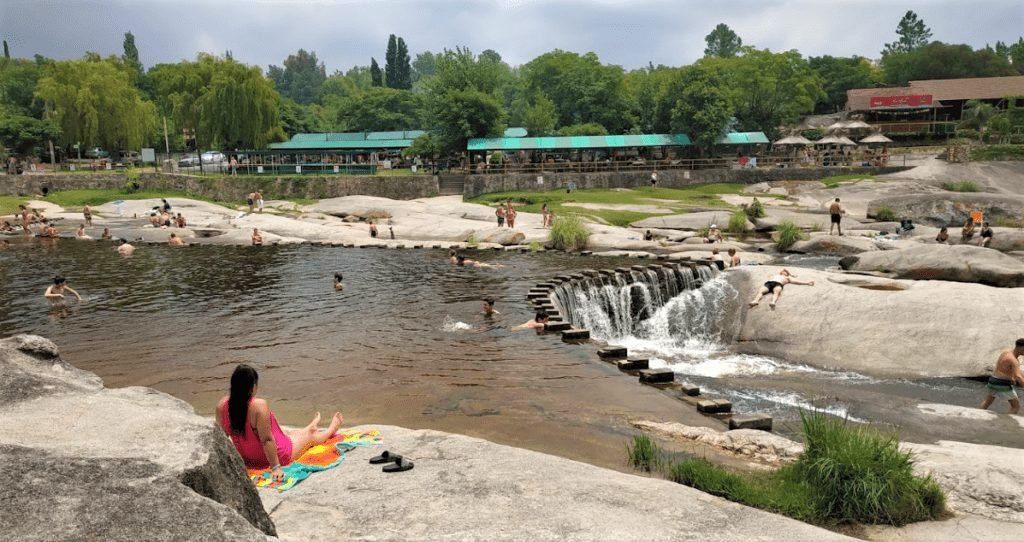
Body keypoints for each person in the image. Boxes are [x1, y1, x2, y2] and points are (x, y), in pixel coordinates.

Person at [218, 364, 344, 480]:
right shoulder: (258, 406)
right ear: (253, 386)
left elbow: (221, 438)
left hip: (247, 458)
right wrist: (276, 468)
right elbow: (267, 440)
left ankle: (309, 427)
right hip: (274, 456)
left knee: (287, 432)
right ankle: (330, 430)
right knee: (310, 438)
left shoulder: (222, 405)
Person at [980, 339, 1024, 415]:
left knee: (987, 402)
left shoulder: (1006, 353)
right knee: (1015, 406)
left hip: (993, 381)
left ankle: (977, 415)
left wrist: (1012, 378)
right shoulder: (1013, 360)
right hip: (1002, 384)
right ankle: (1006, 423)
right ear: (1022, 348)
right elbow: (1018, 376)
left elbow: (1007, 369)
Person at [748, 268, 814, 309]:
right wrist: (788, 273)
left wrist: (807, 283)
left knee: (776, 293)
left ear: (787, 274)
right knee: (761, 291)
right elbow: (784, 268)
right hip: (769, 283)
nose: (784, 271)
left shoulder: (788, 278)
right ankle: (756, 301)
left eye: (785, 272)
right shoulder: (777, 275)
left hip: (778, 284)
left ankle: (773, 302)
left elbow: (797, 282)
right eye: (783, 271)